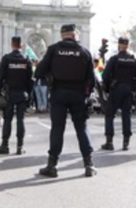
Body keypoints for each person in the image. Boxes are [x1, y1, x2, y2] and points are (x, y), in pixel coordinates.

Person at [35, 24, 97, 178]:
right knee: (82, 128)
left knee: (57, 128)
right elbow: (92, 79)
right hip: (78, 95)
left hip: (59, 93)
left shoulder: (54, 50)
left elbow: (39, 72)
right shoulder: (84, 52)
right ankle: (89, 165)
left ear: (62, 35)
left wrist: (50, 74)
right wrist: (87, 94)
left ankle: (52, 165)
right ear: (74, 35)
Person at [0, 37, 33, 155]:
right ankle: (20, 147)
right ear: (21, 45)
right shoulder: (26, 59)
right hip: (22, 93)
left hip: (9, 94)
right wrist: (29, 96)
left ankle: (5, 145)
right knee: (21, 119)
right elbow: (30, 79)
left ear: (12, 45)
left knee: (7, 120)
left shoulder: (6, 58)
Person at [101, 37, 136, 151]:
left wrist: (108, 87)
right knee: (126, 115)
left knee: (109, 115)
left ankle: (109, 142)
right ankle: (126, 142)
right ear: (128, 46)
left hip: (116, 89)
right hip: (129, 90)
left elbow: (105, 76)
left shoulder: (114, 59)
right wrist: (131, 84)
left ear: (119, 45)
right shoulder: (134, 60)